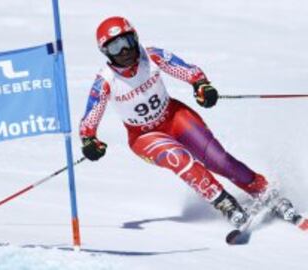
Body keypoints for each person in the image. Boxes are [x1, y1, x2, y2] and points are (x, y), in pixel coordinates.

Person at [79, 16, 301, 227]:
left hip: (174, 116)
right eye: (115, 48)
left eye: (126, 42)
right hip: (143, 136)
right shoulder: (105, 81)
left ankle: (264, 191)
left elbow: (187, 70)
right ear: (105, 52)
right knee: (180, 159)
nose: (124, 51)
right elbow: (90, 117)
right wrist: (89, 140)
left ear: (134, 37)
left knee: (218, 160)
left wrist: (201, 85)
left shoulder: (151, 55)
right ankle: (225, 203)